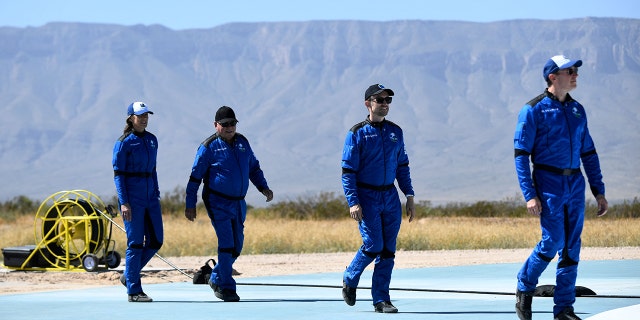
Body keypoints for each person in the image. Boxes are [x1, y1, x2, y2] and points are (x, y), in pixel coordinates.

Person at [513, 55, 608, 320]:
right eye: (570, 70)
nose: (575, 74)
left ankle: (564, 308)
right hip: (549, 182)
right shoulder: (532, 110)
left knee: (571, 246)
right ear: (553, 77)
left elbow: (588, 152)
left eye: (576, 70)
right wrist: (530, 194)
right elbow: (521, 154)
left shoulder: (578, 110)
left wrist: (598, 190)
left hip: (575, 182)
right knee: (552, 241)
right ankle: (524, 285)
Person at [184, 105, 274, 302]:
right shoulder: (208, 147)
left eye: (232, 123)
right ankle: (225, 286)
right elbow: (194, 178)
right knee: (226, 244)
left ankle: (215, 276)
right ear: (216, 125)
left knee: (237, 246)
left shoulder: (243, 142)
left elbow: (253, 168)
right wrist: (190, 204)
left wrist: (263, 187)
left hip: (238, 203)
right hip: (217, 201)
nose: (229, 127)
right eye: (225, 124)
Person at [340, 84, 416, 313]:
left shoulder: (396, 132)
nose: (384, 103)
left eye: (388, 100)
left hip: (390, 196)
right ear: (368, 103)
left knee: (388, 250)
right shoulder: (357, 133)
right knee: (373, 245)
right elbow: (348, 171)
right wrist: (353, 201)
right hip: (367, 196)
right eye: (379, 99)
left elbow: (402, 165)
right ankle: (350, 277)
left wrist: (409, 194)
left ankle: (381, 299)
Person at [112, 101, 164, 302]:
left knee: (156, 241)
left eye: (146, 115)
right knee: (135, 243)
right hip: (132, 200)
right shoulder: (124, 142)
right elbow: (118, 175)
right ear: (130, 118)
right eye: (140, 115)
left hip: (151, 199)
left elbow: (153, 169)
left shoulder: (152, 140)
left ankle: (129, 276)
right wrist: (124, 202)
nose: (144, 119)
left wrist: (156, 192)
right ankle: (134, 291)